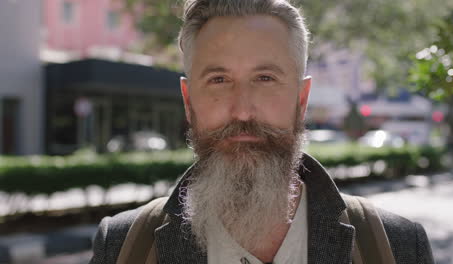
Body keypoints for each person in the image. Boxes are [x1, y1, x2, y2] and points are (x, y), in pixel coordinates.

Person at [90, 0, 434, 263]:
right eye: (219, 80)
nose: (242, 110)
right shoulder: (125, 248)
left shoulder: (394, 247)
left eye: (265, 79)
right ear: (188, 100)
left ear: (301, 99)